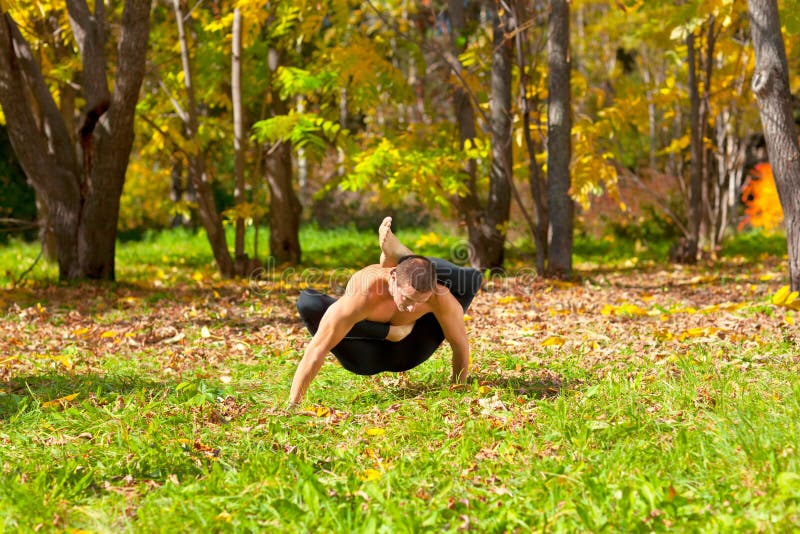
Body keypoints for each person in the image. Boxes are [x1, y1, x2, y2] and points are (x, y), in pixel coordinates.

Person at [288, 217, 483, 408]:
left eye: (419, 302)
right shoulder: (363, 293)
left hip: (409, 353)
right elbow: (316, 349)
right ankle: (402, 256)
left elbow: (460, 345)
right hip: (365, 358)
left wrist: (458, 389)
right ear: (392, 277)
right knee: (309, 301)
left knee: (472, 278)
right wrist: (293, 405)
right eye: (407, 298)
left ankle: (402, 255)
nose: (411, 308)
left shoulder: (438, 296)